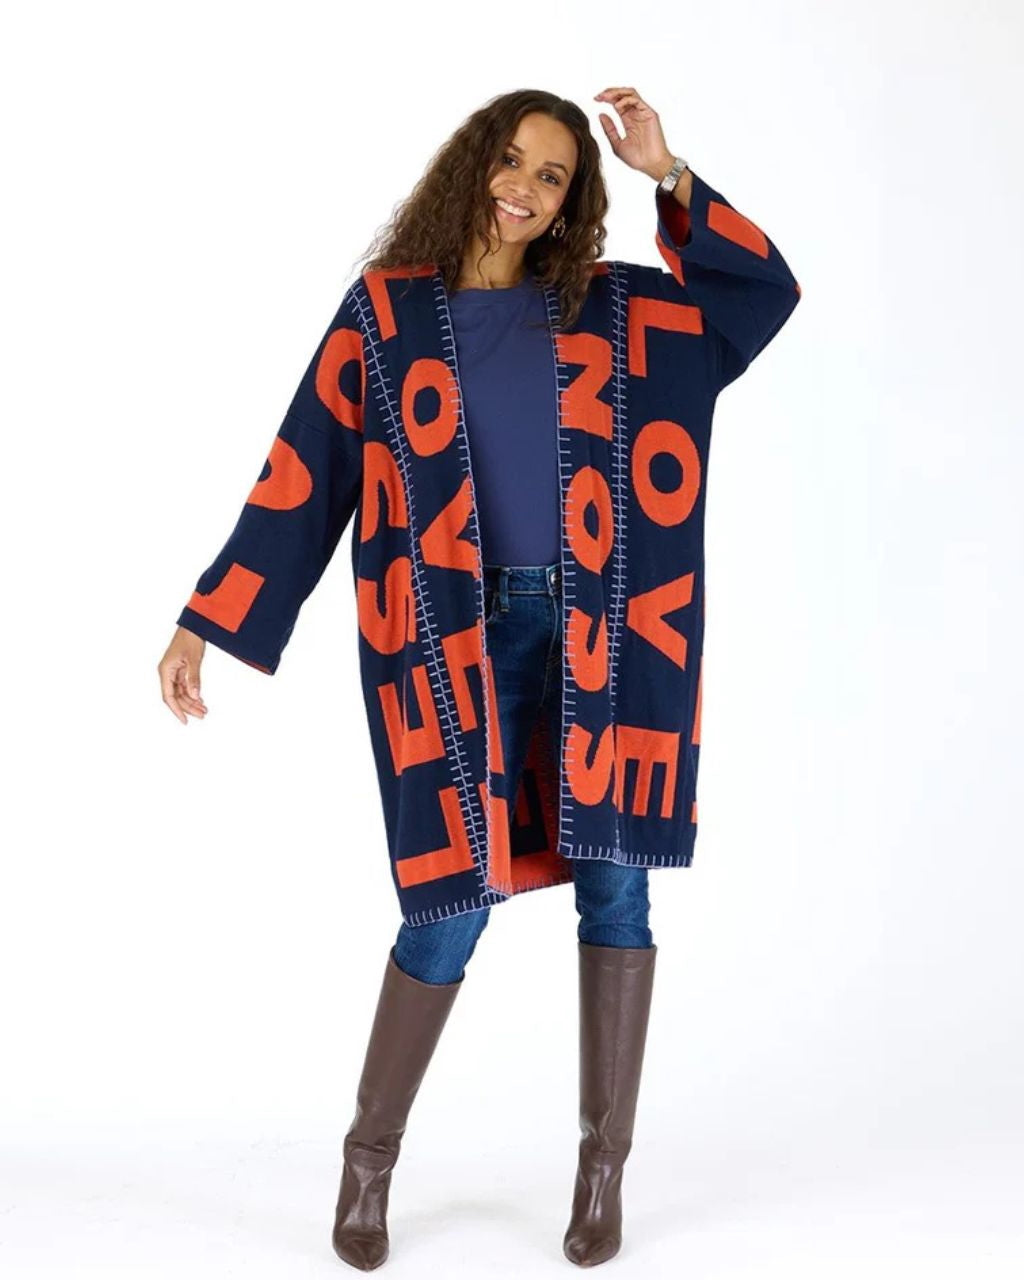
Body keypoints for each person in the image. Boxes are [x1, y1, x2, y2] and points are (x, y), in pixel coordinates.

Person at [159, 86, 801, 1270]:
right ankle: (369, 1160)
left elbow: (759, 295)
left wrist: (668, 174)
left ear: (571, 203)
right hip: (455, 636)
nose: (525, 187)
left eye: (553, 176)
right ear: (474, 164)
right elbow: (307, 467)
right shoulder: (387, 316)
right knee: (446, 901)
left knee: (618, 893)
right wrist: (209, 617)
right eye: (511, 160)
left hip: (605, 632)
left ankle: (601, 1169)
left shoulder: (613, 309)